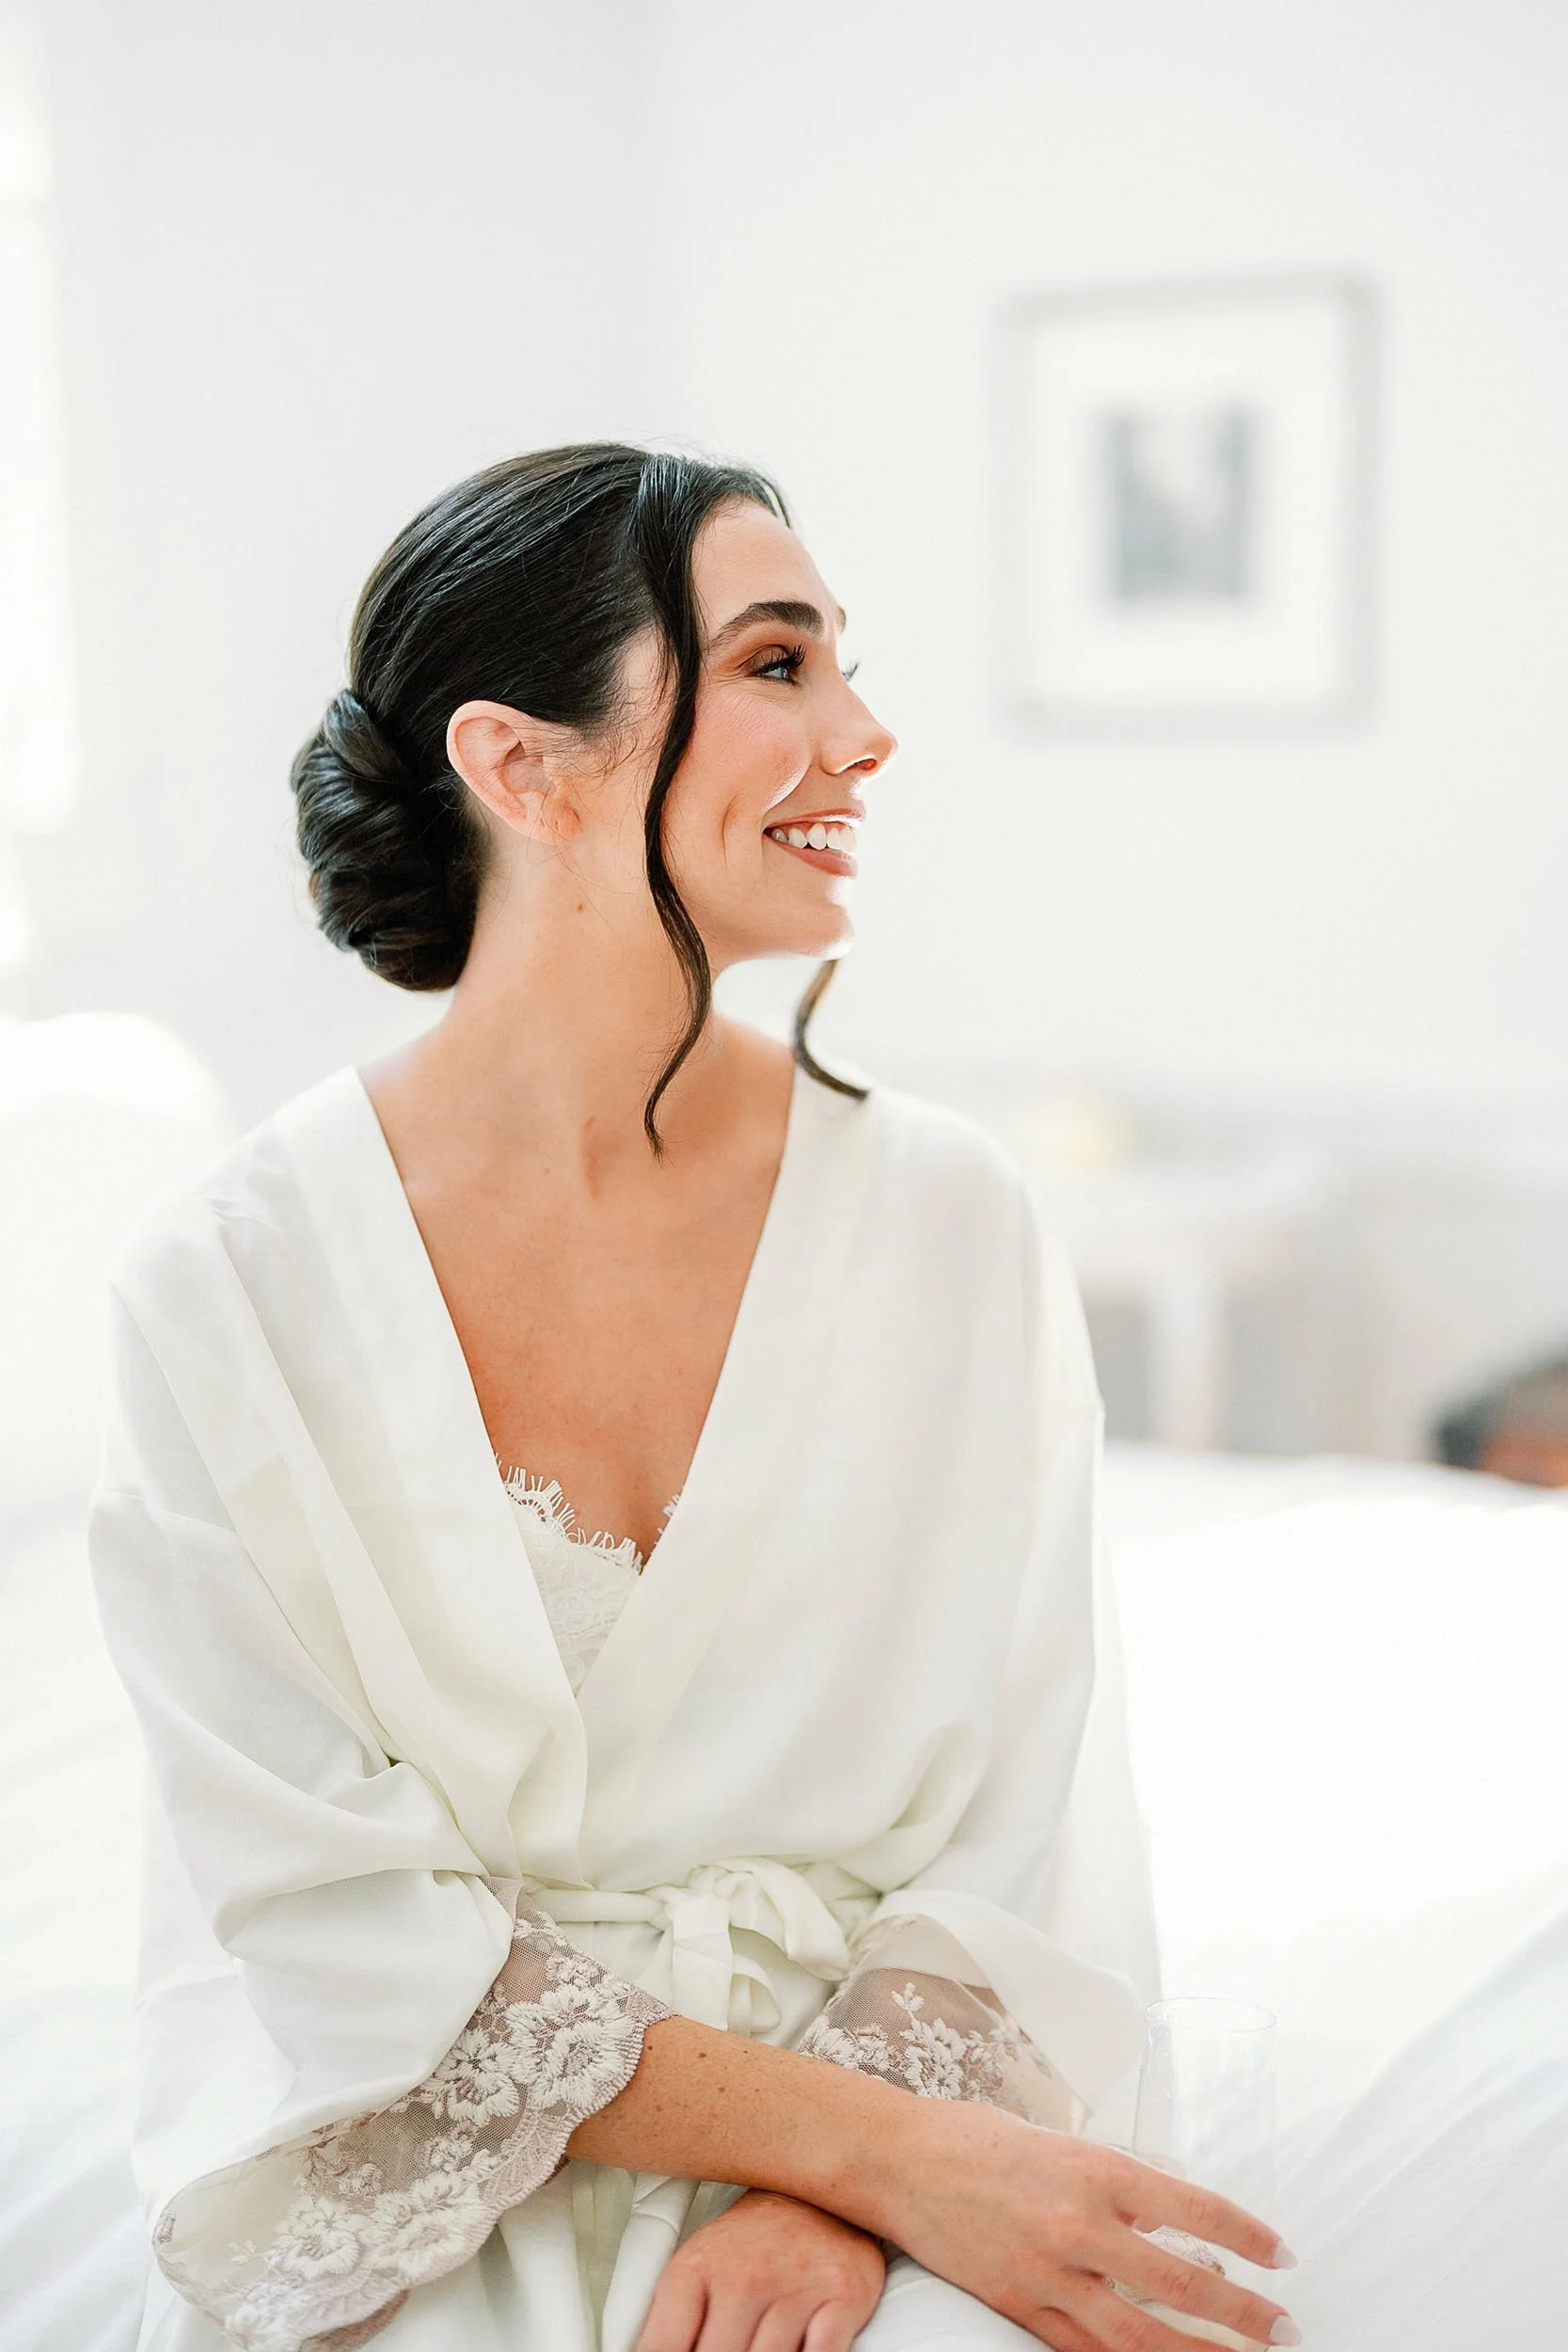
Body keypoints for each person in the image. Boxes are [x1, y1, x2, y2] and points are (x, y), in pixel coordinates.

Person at [88, 443, 1302, 2352]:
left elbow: (1020, 1791)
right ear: (524, 765)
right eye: (776, 664)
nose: (865, 732)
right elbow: (322, 1908)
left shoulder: (948, 1218)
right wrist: (869, 2152)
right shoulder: (228, 1285)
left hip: (906, 2086)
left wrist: (852, 2183)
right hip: (427, 2144)